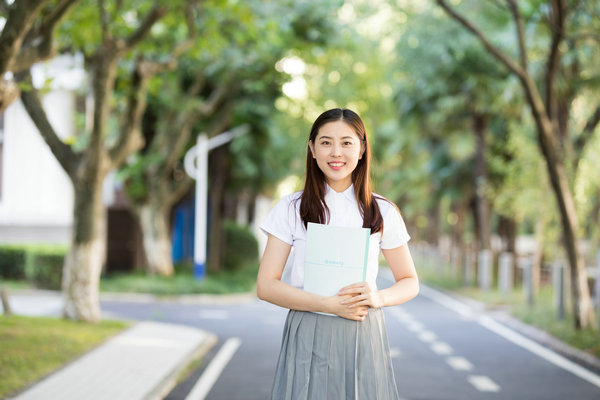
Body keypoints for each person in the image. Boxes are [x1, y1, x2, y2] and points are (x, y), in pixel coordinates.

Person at [257, 108, 419, 399]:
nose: (336, 152)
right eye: (326, 142)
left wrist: (378, 298)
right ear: (312, 148)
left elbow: (409, 280)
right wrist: (328, 305)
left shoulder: (382, 211)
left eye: (346, 142)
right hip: (308, 327)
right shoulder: (291, 208)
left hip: (361, 329)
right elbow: (266, 285)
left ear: (362, 149)